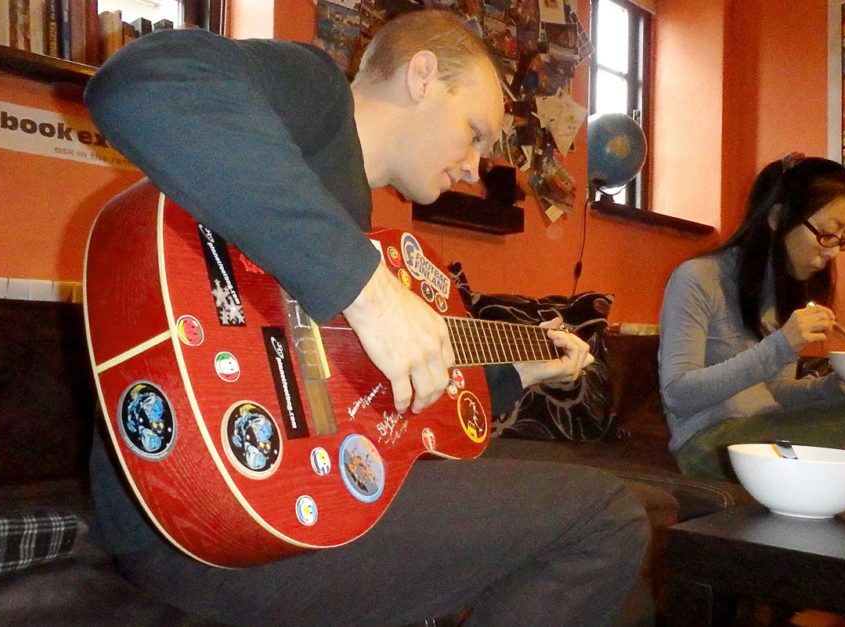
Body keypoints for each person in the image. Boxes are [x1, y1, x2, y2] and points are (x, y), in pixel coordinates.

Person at [84, 10, 649, 626]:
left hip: (261, 511)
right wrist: (372, 294)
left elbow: (390, 412)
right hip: (202, 519)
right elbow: (142, 80)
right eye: (475, 133)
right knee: (606, 519)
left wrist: (517, 371)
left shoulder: (356, 220)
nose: (475, 168)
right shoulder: (320, 99)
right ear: (422, 77)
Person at [658, 153, 845, 481]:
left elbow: (777, 392)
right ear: (777, 218)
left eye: (842, 239)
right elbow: (677, 395)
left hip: (766, 431)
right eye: (828, 234)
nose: (832, 252)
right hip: (708, 444)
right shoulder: (698, 277)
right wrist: (781, 345)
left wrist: (837, 387)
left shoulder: (784, 290)